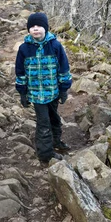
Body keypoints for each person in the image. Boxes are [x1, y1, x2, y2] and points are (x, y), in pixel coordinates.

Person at [15, 12, 73, 164]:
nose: (35, 29)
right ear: (28, 30)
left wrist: (63, 89)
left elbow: (64, 69)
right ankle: (45, 154)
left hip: (53, 92)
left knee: (54, 118)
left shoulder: (55, 46)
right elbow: (20, 72)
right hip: (35, 94)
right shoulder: (24, 49)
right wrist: (22, 93)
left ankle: (56, 142)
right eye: (32, 26)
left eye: (39, 26)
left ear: (46, 28)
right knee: (43, 123)